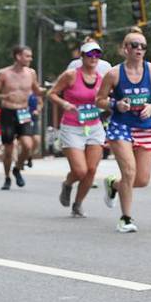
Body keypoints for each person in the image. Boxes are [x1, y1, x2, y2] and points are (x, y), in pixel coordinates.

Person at [97, 28, 151, 233]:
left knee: (142, 180)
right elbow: (99, 100)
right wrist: (115, 105)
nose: (139, 49)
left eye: (143, 46)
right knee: (129, 171)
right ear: (125, 49)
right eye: (134, 45)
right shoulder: (114, 73)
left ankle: (113, 185)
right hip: (121, 127)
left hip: (145, 127)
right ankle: (125, 218)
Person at [46, 39, 107, 216]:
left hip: (94, 126)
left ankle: (78, 204)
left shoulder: (101, 79)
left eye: (97, 54)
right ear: (82, 57)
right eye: (90, 54)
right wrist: (65, 104)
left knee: (91, 170)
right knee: (80, 170)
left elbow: (104, 100)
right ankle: (67, 184)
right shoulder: (71, 75)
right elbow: (52, 94)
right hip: (72, 127)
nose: (94, 58)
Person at [0, 45, 39, 190]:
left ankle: (17, 168)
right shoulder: (3, 74)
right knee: (9, 150)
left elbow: (37, 90)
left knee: (28, 145)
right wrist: (4, 96)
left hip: (24, 112)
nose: (30, 59)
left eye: (30, 56)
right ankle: (7, 177)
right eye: (27, 56)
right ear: (18, 57)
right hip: (8, 112)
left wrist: (49, 91)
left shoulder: (31, 73)